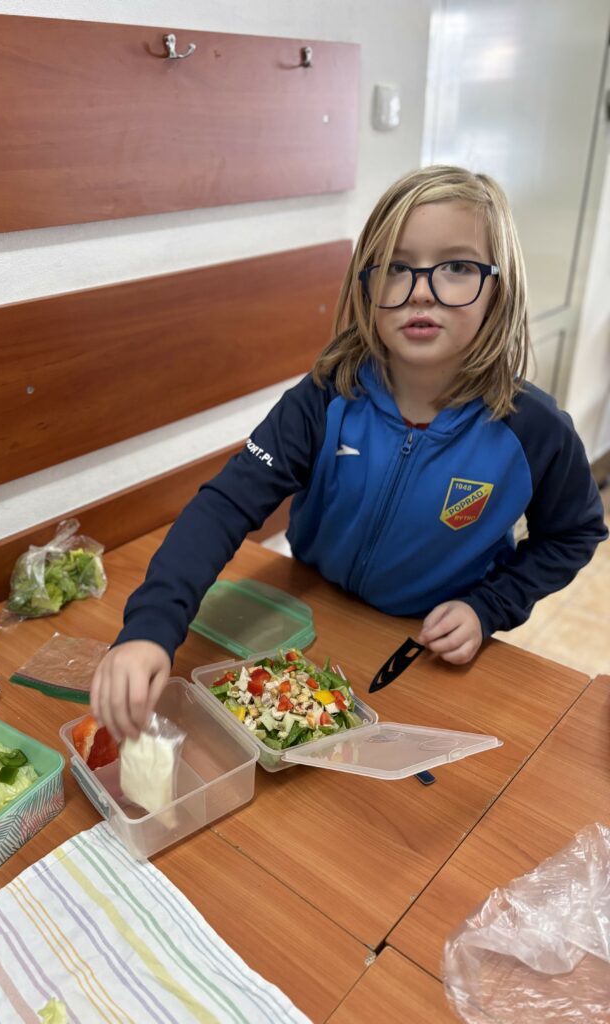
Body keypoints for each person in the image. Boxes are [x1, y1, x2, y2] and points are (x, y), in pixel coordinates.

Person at [91, 164, 608, 740]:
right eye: (395, 267)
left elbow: (574, 534)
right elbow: (224, 506)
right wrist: (150, 628)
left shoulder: (536, 430)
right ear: (365, 285)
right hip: (311, 615)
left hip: (425, 649)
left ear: (499, 287)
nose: (420, 291)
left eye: (457, 267)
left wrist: (488, 607)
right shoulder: (322, 396)